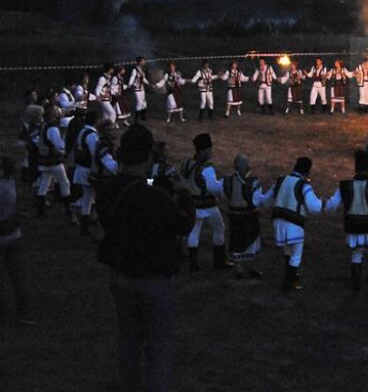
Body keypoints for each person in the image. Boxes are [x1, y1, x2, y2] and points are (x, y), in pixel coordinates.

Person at [95, 124, 195, 392]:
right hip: (153, 279)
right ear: (148, 157)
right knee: (158, 347)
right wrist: (184, 194)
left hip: (120, 275)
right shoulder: (154, 197)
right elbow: (184, 225)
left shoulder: (107, 190)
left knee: (128, 340)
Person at [324, 150, 368, 291]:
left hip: (353, 227)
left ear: (355, 167)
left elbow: (332, 205)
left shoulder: (344, 186)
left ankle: (357, 285)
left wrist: (322, 205)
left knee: (356, 253)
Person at [267, 157, 324, 291]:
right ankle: (288, 282)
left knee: (288, 250)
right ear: (307, 171)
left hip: (278, 222)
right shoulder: (304, 185)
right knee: (296, 255)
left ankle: (290, 277)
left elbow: (267, 199)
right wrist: (323, 203)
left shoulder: (281, 181)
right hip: (294, 224)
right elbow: (314, 207)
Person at [180, 133, 231, 271]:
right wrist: (224, 183)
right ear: (203, 150)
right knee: (219, 227)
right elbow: (213, 188)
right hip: (207, 204)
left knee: (194, 232)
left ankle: (193, 264)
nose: (211, 152)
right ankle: (219, 262)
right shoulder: (207, 168)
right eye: (209, 149)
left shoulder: (187, 163)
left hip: (192, 203)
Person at [222, 154, 271, 279]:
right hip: (250, 216)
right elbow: (259, 201)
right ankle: (251, 267)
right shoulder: (253, 183)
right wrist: (272, 192)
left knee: (237, 241)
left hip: (235, 216)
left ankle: (239, 268)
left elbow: (223, 196)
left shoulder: (227, 181)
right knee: (252, 240)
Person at [0, 156, 34, 325]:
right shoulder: (10, 184)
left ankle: (5, 312)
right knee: (19, 276)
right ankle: (24, 311)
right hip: (14, 234)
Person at [73, 111, 119, 235]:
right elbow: (98, 156)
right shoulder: (93, 137)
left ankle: (85, 225)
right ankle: (98, 229)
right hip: (92, 171)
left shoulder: (83, 131)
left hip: (85, 168)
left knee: (88, 198)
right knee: (100, 202)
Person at [34, 104, 72, 219]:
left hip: (44, 159)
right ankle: (68, 209)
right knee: (64, 183)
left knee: (44, 184)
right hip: (53, 160)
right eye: (56, 109)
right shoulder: (52, 127)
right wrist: (67, 149)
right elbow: (58, 144)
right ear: (52, 113)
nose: (58, 111)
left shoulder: (43, 125)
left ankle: (40, 210)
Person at [128, 57, 150, 122]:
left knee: (144, 102)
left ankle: (143, 117)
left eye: (144, 61)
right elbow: (132, 77)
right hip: (136, 89)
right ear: (139, 62)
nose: (144, 62)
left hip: (142, 88)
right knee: (139, 103)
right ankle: (136, 119)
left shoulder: (142, 69)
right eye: (143, 61)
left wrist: (148, 83)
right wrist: (130, 84)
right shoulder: (135, 70)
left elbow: (143, 78)